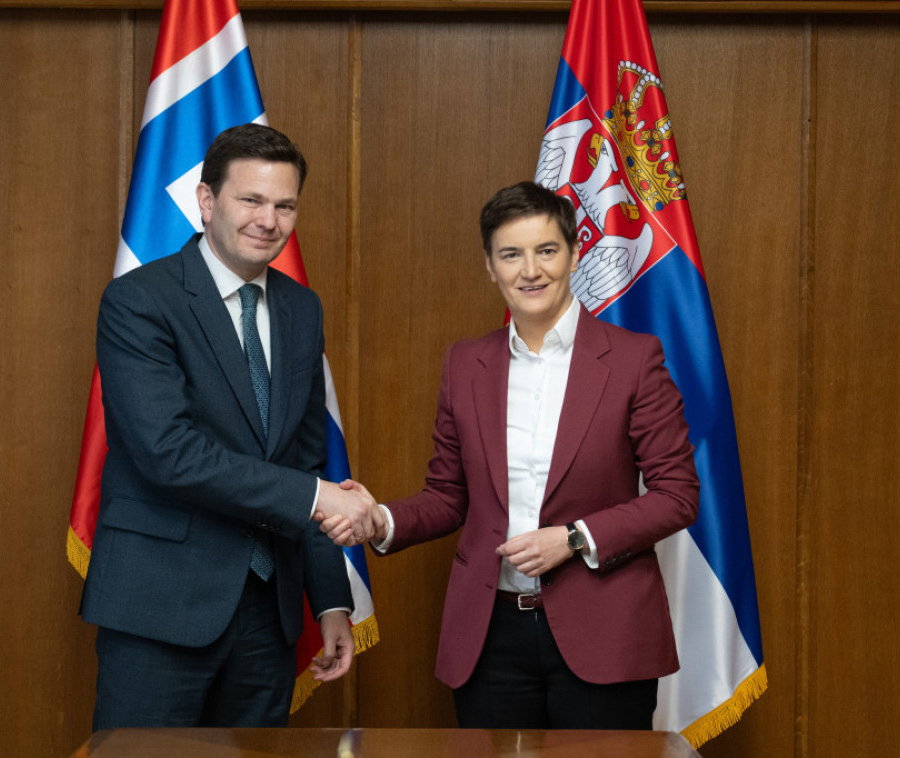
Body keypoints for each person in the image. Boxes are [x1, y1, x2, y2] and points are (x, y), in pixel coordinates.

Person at [321, 181, 699, 729]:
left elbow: (677, 495)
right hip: (489, 639)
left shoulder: (634, 360)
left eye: (546, 250)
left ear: (574, 253)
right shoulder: (465, 364)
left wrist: (574, 539)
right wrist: (380, 520)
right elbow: (447, 496)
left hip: (606, 635)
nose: (531, 270)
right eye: (511, 254)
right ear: (490, 266)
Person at [80, 123, 375, 729]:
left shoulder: (301, 308)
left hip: (268, 617)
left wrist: (330, 602)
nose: (268, 220)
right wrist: (316, 497)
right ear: (207, 201)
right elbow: (168, 452)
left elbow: (305, 462)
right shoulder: (139, 300)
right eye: (251, 200)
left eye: (285, 205)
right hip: (159, 607)